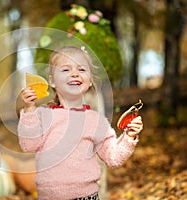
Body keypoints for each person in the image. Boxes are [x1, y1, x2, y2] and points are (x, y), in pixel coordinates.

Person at [18, 46, 143, 200]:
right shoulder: (43, 116)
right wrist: (29, 110)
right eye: (65, 70)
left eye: (82, 69)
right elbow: (28, 145)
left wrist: (129, 137)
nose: (75, 74)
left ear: (90, 80)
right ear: (52, 80)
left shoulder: (95, 121)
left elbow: (113, 158)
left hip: (86, 196)